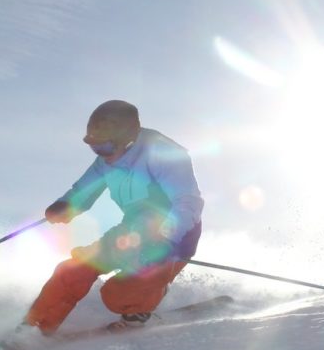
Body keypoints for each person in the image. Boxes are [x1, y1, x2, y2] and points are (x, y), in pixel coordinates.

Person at [23, 100, 203, 333]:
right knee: (73, 271)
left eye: (105, 148)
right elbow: (83, 191)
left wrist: (166, 238)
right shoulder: (106, 161)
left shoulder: (163, 152)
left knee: (116, 295)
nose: (101, 155)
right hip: (132, 230)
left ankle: (138, 311)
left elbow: (188, 202)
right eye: (95, 148)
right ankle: (35, 327)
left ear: (127, 138)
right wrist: (65, 206)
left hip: (173, 236)